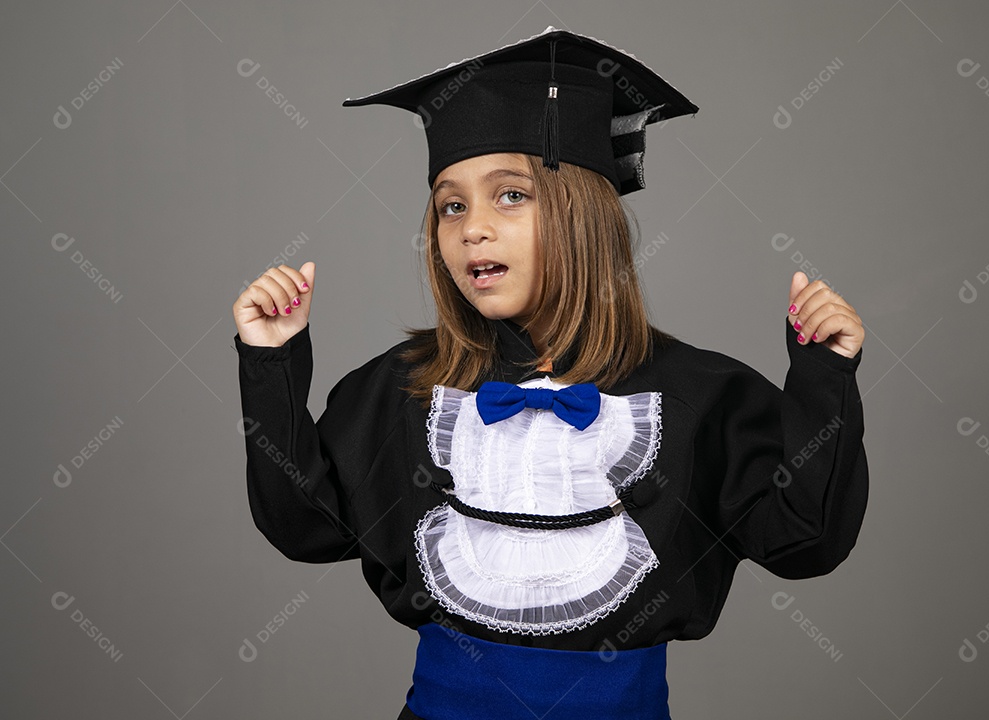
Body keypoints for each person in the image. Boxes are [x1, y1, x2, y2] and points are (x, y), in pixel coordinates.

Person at [232, 27, 868, 720]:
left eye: (509, 196)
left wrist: (822, 378)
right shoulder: (407, 388)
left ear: (583, 215)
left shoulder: (699, 396)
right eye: (451, 205)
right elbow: (305, 527)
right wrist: (272, 363)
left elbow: (807, 541)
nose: (472, 227)